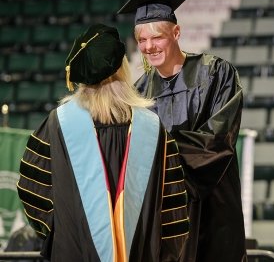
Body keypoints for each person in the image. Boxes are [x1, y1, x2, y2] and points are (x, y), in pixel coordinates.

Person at [16, 23, 189, 262]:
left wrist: (66, 231)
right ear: (122, 69)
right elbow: (173, 210)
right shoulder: (153, 128)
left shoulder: (57, 124)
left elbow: (30, 188)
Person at [117, 0, 247, 262]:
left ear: (176, 32)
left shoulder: (216, 74)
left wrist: (160, 149)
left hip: (214, 209)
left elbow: (218, 140)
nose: (149, 46)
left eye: (157, 37)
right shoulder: (139, 94)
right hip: (166, 216)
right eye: (142, 40)